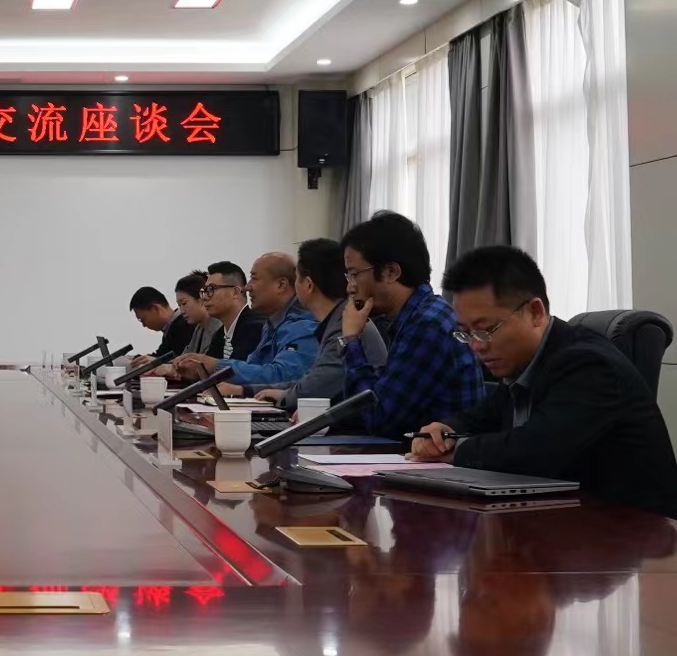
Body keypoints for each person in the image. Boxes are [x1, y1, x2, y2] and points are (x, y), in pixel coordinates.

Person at [412, 245, 677, 518]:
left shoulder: (588, 365)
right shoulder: (522, 363)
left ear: (535, 312)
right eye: (466, 333)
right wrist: (444, 430)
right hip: (560, 521)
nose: (476, 346)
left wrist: (457, 451)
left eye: (485, 330)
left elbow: (535, 450)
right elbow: (481, 417)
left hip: (631, 531)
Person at [340, 211, 484, 439]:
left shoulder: (427, 325)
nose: (350, 287)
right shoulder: (421, 315)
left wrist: (351, 341)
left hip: (439, 457)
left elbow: (379, 419)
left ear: (391, 272)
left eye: (354, 275)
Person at [253, 239, 388, 411]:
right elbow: (311, 380)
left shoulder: (346, 324)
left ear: (308, 285)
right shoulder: (337, 320)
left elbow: (312, 390)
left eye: (297, 279)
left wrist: (286, 396)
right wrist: (249, 391)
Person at [176, 252, 319, 396]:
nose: (248, 287)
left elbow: (284, 376)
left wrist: (216, 366)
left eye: (254, 278)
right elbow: (253, 366)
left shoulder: (303, 325)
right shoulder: (271, 324)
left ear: (281, 285)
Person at [200, 261, 268, 362]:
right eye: (204, 291)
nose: (205, 297)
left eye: (211, 289)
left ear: (235, 292)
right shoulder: (220, 334)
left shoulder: (257, 328)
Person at [128, 286, 192, 363]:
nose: (144, 325)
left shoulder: (184, 326)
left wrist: (158, 361)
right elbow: (161, 355)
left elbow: (184, 362)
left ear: (155, 309)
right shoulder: (171, 328)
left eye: (143, 320)